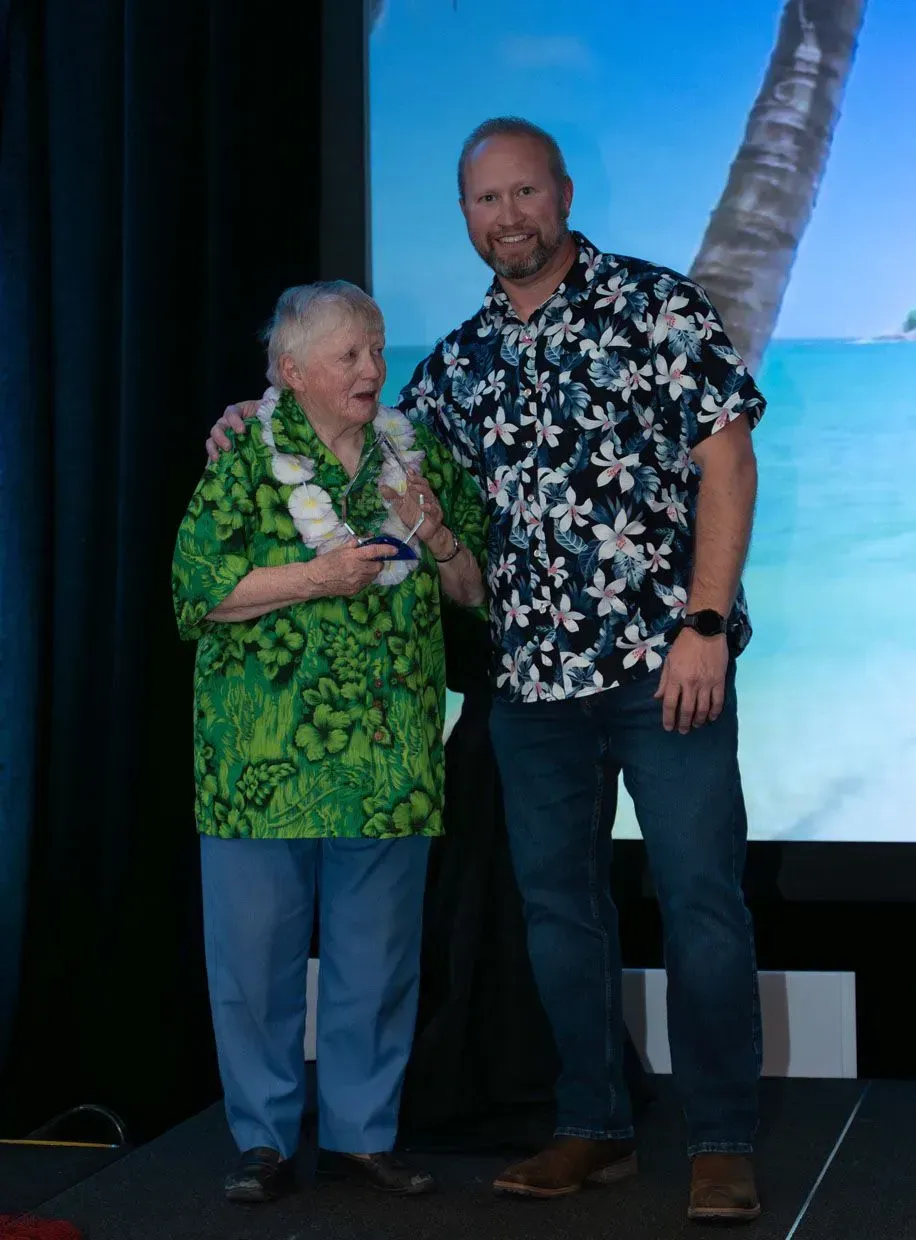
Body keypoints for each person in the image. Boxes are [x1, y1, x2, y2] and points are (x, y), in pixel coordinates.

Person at [206, 118, 765, 1224]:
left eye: (524, 193)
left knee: (703, 906)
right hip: (530, 692)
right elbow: (366, 452)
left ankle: (720, 1139)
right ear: (464, 216)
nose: (508, 216)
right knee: (559, 918)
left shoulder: (659, 307)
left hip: (667, 674)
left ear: (560, 192)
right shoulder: (456, 362)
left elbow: (728, 461)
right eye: (485, 201)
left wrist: (704, 621)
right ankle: (593, 1128)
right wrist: (253, 418)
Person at [172, 281, 486, 1204]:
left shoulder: (413, 452)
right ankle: (262, 1142)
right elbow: (196, 592)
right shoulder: (242, 461)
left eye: (378, 350)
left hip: (390, 758)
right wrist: (316, 579)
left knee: (379, 963)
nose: (372, 370)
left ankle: (362, 1135)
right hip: (260, 760)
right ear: (292, 371)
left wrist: (427, 520)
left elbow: (473, 589)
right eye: (348, 355)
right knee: (255, 966)